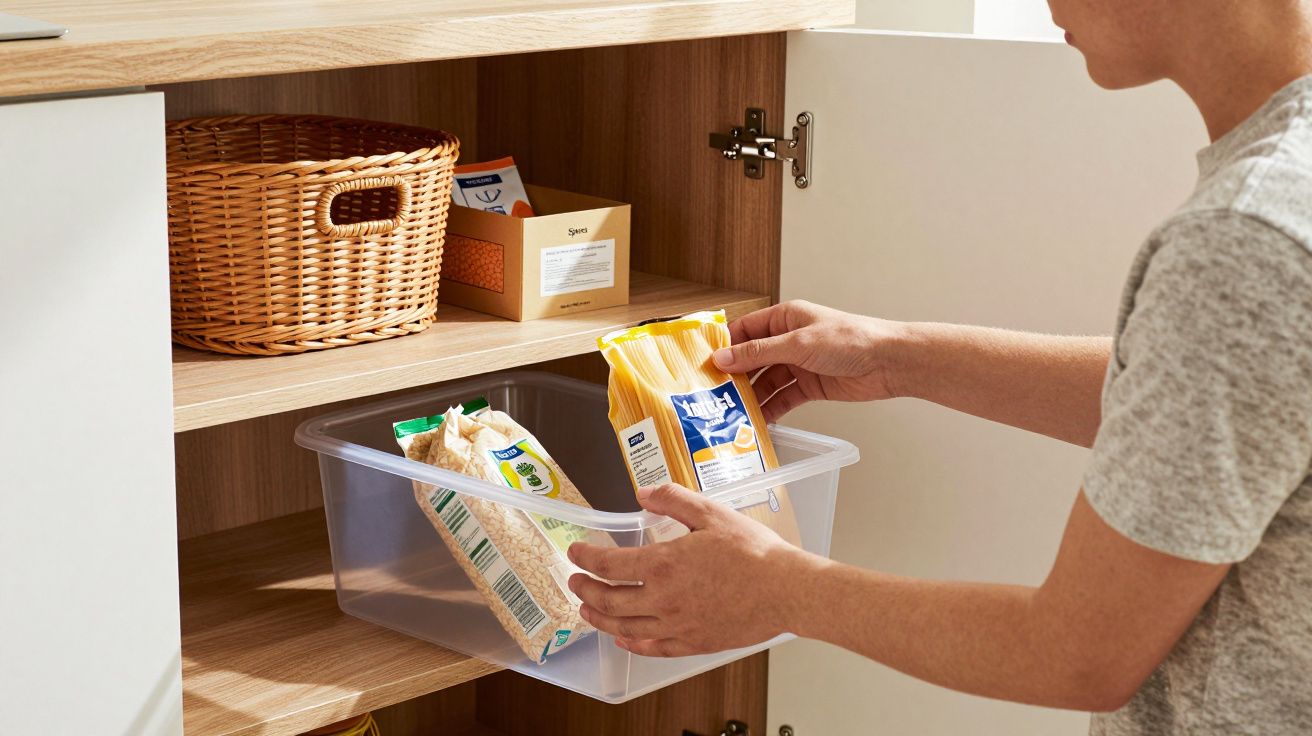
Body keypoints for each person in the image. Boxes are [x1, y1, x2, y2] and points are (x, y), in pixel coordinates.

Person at [566, 0, 1312, 732]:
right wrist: (899, 359)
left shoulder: (1243, 240)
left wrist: (784, 589)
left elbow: (1079, 652)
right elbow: (1208, 399)